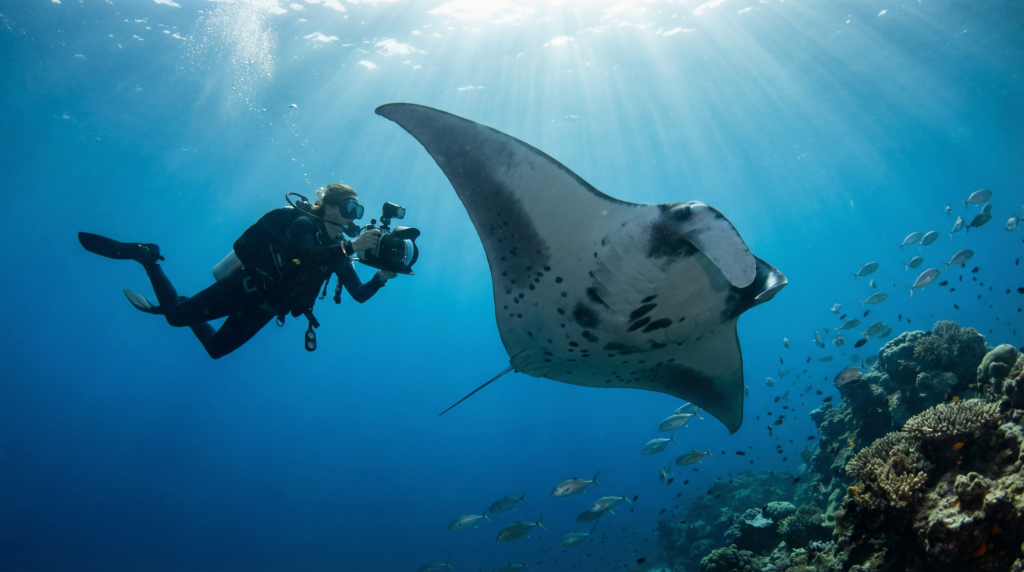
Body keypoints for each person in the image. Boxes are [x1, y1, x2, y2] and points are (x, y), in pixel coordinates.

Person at [79, 184, 396, 358]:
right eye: (348, 207)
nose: (352, 213)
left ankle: (186, 302)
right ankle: (148, 259)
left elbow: (359, 295)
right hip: (245, 287)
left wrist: (381, 278)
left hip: (266, 309)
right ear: (328, 207)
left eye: (356, 208)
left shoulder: (341, 250)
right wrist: (350, 248)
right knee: (174, 318)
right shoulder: (304, 225)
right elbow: (301, 258)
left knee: (216, 350)